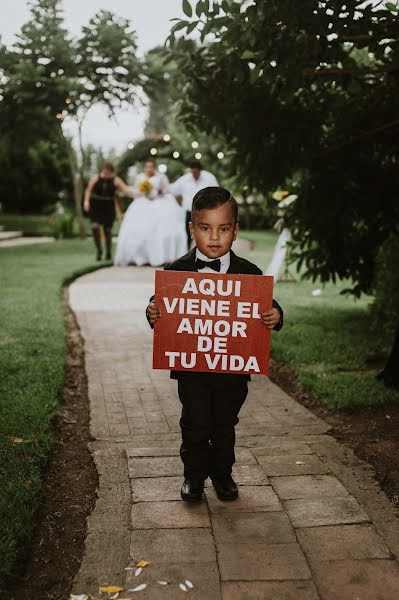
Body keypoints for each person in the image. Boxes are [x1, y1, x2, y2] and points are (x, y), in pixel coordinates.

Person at [146, 187, 283, 503]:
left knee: (224, 425)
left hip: (232, 372)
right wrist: (152, 311)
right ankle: (193, 477)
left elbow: (266, 307)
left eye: (223, 229)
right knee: (194, 423)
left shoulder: (249, 273)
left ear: (235, 231)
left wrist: (276, 315)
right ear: (192, 229)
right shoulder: (176, 271)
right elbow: (161, 305)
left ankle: (222, 474)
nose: (214, 237)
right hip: (191, 371)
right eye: (205, 228)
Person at [114, 159, 187, 267]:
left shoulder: (161, 177)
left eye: (151, 167)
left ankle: (164, 256)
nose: (149, 169)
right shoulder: (140, 178)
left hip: (159, 202)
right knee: (139, 229)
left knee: (162, 229)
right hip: (143, 203)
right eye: (147, 167)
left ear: (154, 168)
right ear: (145, 168)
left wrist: (160, 192)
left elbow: (166, 190)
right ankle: (138, 257)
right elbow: (137, 191)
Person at [84, 162, 132, 261]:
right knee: (95, 227)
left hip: (108, 206)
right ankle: (99, 250)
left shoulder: (116, 180)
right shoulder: (96, 178)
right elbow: (88, 190)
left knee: (107, 230)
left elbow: (126, 190)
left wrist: (141, 190)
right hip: (96, 205)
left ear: (111, 172)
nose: (106, 174)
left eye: (108, 172)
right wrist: (86, 201)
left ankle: (108, 252)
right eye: (105, 171)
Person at [168, 160, 218, 250]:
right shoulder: (184, 179)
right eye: (192, 172)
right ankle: (187, 255)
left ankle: (206, 253)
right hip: (189, 211)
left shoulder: (209, 178)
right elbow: (173, 190)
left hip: (205, 211)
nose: (194, 174)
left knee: (205, 233)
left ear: (200, 170)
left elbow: (216, 193)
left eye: (196, 172)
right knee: (188, 234)